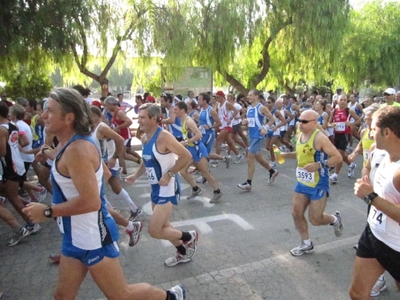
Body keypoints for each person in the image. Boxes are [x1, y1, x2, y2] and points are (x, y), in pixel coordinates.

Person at [22, 88, 186, 300]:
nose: (43, 115)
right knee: (62, 296)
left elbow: (91, 201)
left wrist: (47, 212)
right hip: (74, 234)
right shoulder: (68, 144)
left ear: (69, 117)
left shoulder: (78, 149)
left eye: (50, 111)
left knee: (121, 295)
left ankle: (172, 296)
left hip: (92, 235)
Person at [126, 103, 199, 267]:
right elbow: (146, 161)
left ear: (154, 118)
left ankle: (190, 236)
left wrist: (169, 174)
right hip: (155, 188)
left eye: (143, 117)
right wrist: (135, 176)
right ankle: (182, 251)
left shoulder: (163, 136)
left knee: (154, 230)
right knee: (165, 226)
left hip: (168, 188)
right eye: (139, 117)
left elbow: (185, 155)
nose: (139, 120)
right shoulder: (145, 137)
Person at [350, 106, 400, 300]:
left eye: (373, 129)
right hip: (373, 234)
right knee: (357, 294)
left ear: (386, 132)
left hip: (396, 247)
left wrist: (371, 197)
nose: (369, 133)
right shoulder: (380, 153)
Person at [281, 110, 343, 256]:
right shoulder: (299, 134)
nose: (300, 124)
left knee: (315, 219)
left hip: (318, 183)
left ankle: (335, 219)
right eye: (299, 120)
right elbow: (300, 154)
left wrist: (320, 165)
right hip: (302, 181)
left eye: (304, 121)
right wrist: (285, 155)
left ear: (315, 122)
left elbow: (338, 157)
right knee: (296, 212)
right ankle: (306, 243)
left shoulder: (320, 138)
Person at [174, 101, 223, 203]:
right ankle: (196, 189)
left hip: (197, 150)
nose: (174, 112)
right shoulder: (182, 120)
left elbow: (199, 135)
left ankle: (217, 191)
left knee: (205, 173)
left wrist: (186, 142)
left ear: (182, 110)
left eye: (176, 110)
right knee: (182, 171)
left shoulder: (189, 121)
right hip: (190, 150)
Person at [237, 89, 279, 191]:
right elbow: (251, 122)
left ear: (256, 96)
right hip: (251, 136)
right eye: (248, 95)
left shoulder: (262, 108)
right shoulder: (249, 108)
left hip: (258, 136)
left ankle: (248, 183)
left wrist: (265, 128)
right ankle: (272, 171)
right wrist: (245, 121)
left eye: (250, 95)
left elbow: (272, 119)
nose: (248, 97)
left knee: (249, 157)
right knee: (258, 158)